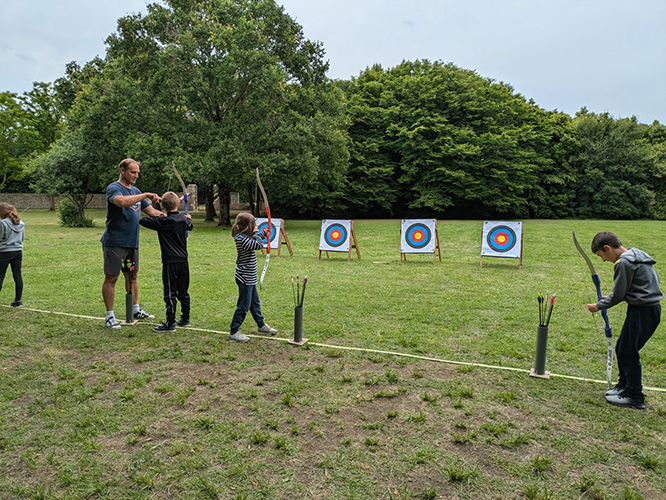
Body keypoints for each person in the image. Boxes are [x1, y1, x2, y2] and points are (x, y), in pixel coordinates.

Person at [587, 231, 662, 409]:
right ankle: (624, 387)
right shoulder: (636, 255)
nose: (603, 260)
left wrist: (599, 305)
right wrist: (611, 297)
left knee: (628, 351)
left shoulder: (625, 263)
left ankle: (635, 395)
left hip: (643, 312)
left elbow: (619, 294)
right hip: (646, 309)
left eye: (601, 255)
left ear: (608, 248)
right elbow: (635, 287)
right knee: (623, 347)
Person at [101, 158, 164, 329]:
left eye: (137, 173)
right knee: (112, 277)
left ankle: (135, 309)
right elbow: (121, 202)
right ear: (122, 170)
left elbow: (151, 211)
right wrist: (144, 195)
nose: (136, 176)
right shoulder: (114, 188)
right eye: (132, 172)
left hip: (132, 243)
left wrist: (172, 216)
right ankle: (110, 316)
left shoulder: (135, 190)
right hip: (114, 242)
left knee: (132, 276)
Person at [139, 191, 193, 332]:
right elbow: (190, 224)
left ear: (163, 206)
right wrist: (187, 217)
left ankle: (170, 324)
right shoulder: (183, 220)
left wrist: (157, 210)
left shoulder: (162, 221)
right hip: (183, 261)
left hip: (170, 262)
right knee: (183, 291)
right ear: (178, 204)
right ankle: (185, 319)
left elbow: (142, 220)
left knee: (170, 293)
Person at [228, 212, 278, 342]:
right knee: (244, 305)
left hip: (250, 278)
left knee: (254, 303)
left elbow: (256, 240)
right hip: (244, 278)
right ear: (248, 226)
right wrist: (258, 234)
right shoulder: (240, 239)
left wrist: (262, 233)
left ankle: (261, 326)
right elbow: (258, 245)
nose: (256, 226)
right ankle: (233, 332)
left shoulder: (245, 237)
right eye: (254, 224)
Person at [0, 203, 25, 308]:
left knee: (0, 276)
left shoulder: (2, 223)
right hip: (17, 252)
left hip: (4, 252)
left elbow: (1, 237)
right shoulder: (21, 223)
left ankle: (17, 301)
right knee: (17, 275)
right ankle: (18, 301)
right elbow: (22, 238)